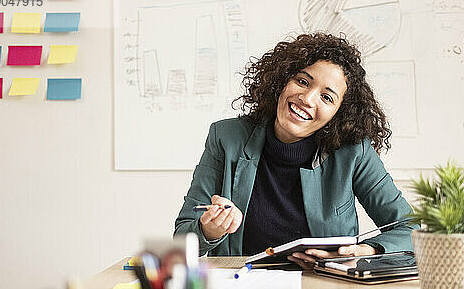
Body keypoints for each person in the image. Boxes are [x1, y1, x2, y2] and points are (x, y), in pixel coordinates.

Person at [174, 33, 417, 268]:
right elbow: (182, 239)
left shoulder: (354, 152)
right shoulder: (226, 137)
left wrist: (367, 250)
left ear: (338, 115)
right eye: (302, 81)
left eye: (327, 97)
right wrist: (209, 230)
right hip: (242, 287)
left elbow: (411, 228)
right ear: (282, 80)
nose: (308, 98)